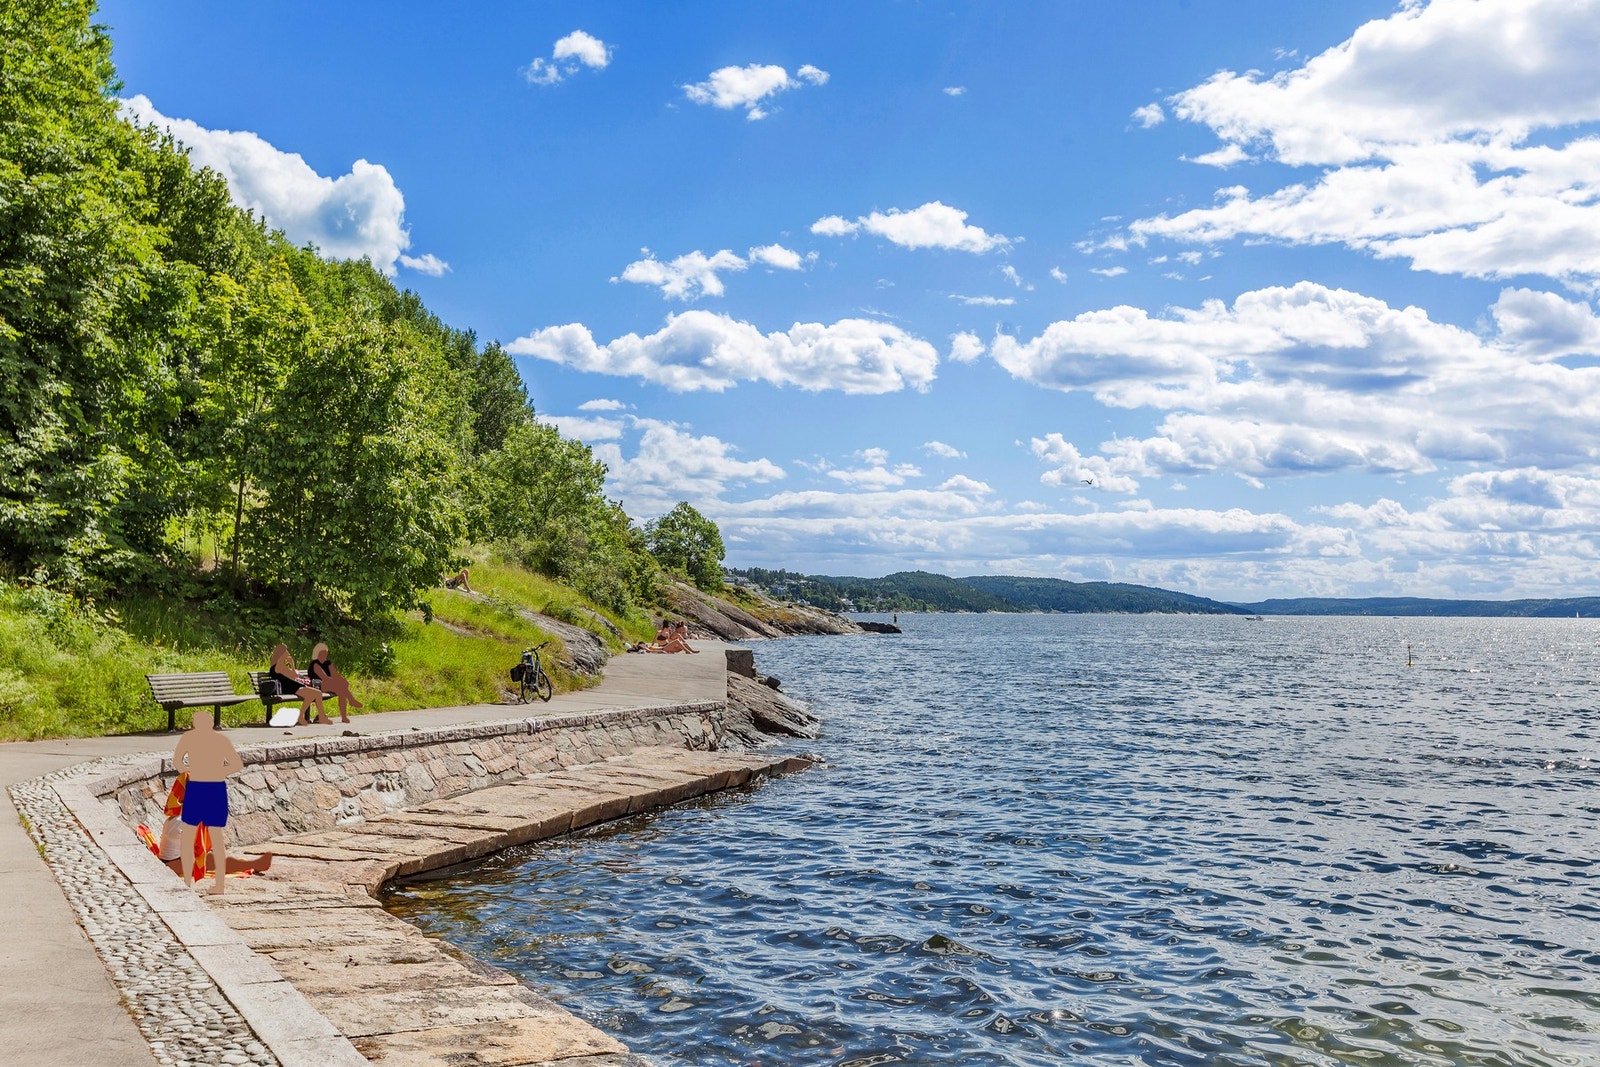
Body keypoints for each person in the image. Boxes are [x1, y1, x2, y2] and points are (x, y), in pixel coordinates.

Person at [171, 710, 242, 894]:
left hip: (198, 787)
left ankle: (188, 883)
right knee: (215, 838)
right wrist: (219, 772)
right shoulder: (220, 740)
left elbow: (177, 762)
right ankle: (218, 885)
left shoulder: (189, 738)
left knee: (190, 837)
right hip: (214, 788)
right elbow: (236, 764)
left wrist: (189, 769)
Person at [269, 643, 329, 725]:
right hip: (289, 688)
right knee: (317, 693)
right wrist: (292, 664)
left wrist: (291, 666)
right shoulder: (278, 666)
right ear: (281, 654)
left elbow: (293, 676)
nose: (288, 655)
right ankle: (312, 717)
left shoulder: (279, 665)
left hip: (292, 687)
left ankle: (305, 716)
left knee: (313, 694)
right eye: (286, 653)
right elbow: (293, 677)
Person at [308, 641, 363, 723]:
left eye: (326, 653)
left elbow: (335, 675)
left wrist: (341, 679)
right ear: (317, 653)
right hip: (318, 685)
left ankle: (344, 717)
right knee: (341, 687)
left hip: (329, 684)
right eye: (323, 653)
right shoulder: (315, 664)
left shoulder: (328, 663)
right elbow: (324, 678)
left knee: (342, 691)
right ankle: (351, 701)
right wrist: (339, 682)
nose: (325, 655)